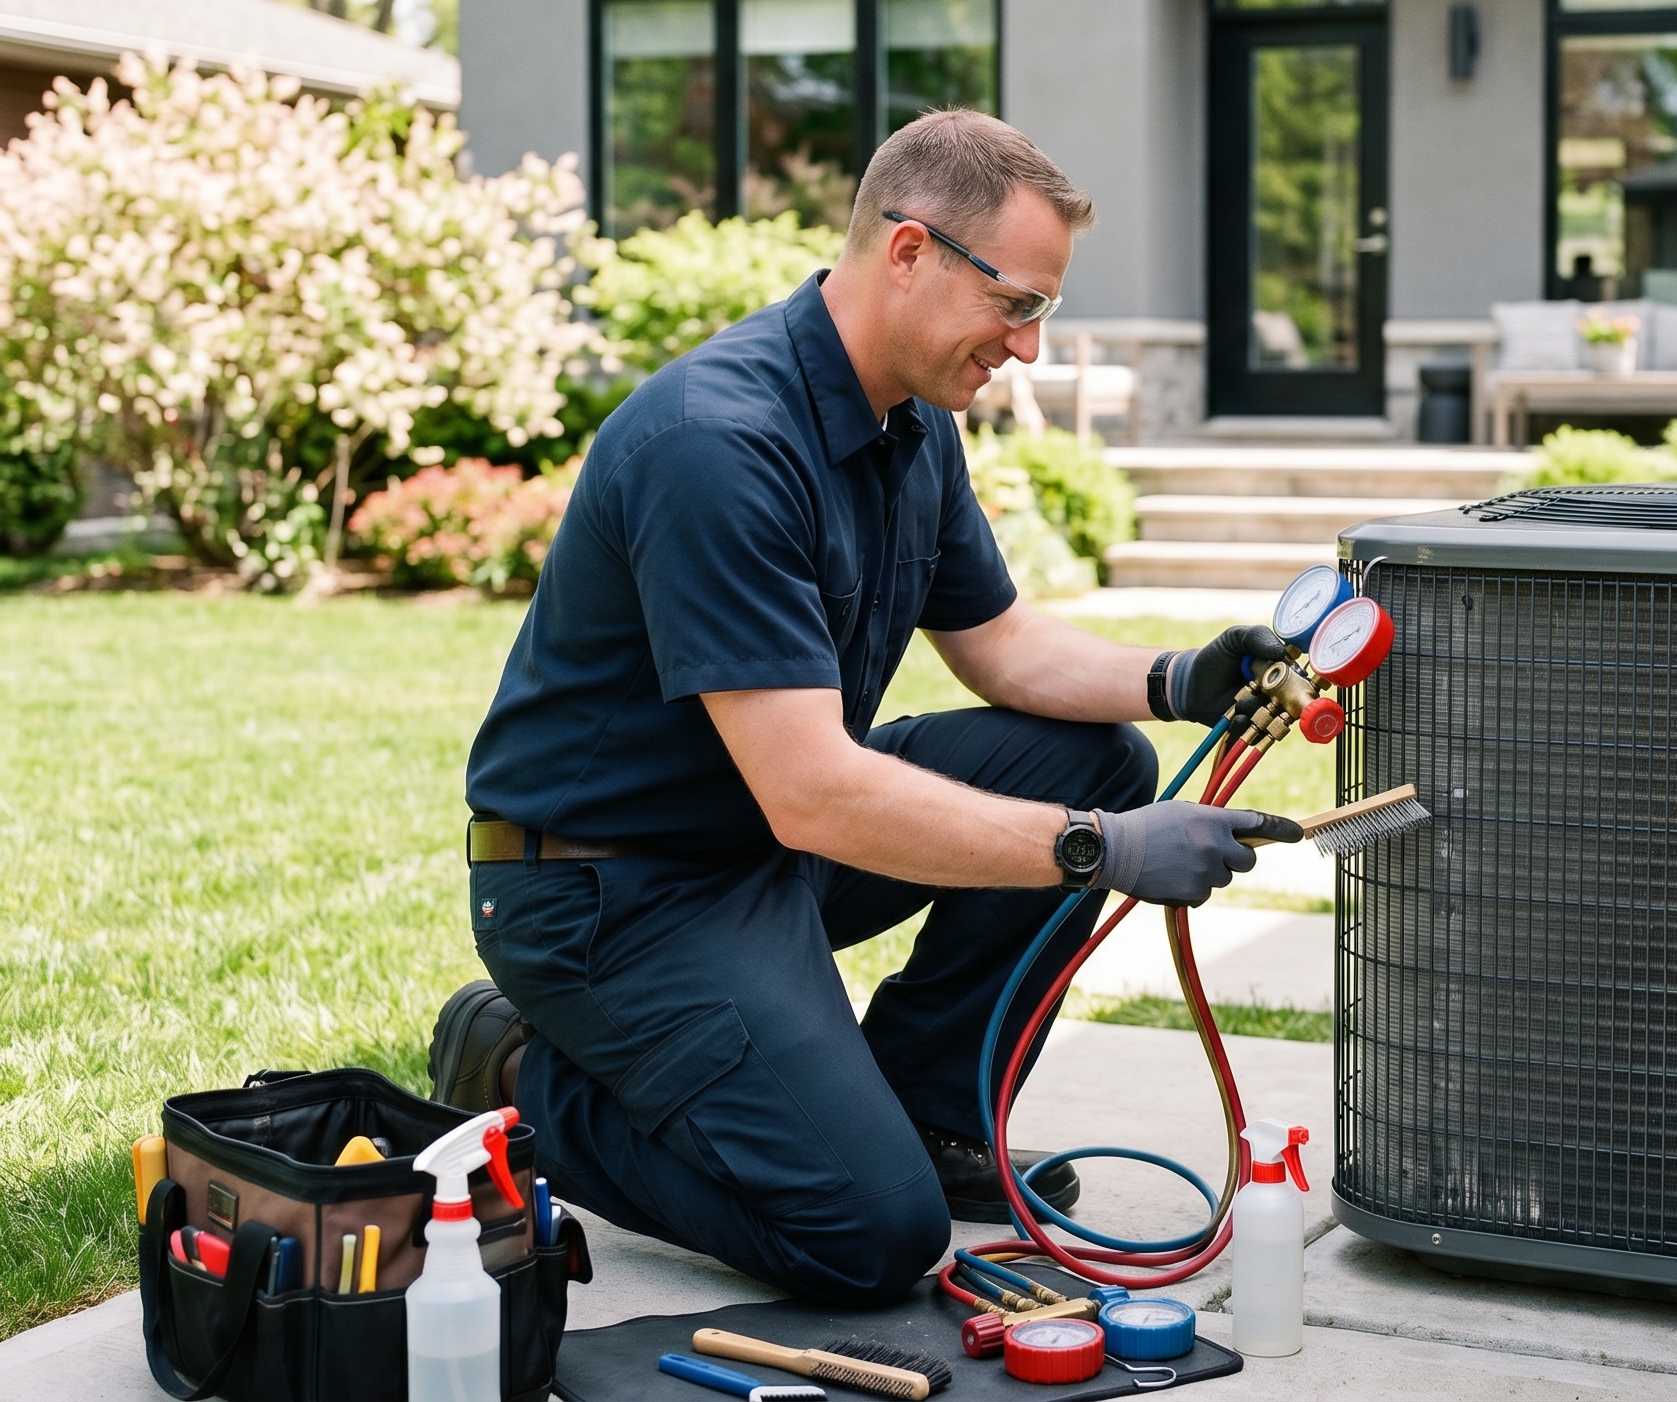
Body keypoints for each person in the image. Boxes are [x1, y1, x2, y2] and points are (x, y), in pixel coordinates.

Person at [429, 110, 1288, 1308]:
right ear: (909, 250)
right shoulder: (718, 444)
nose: (1029, 347)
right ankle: (520, 1074)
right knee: (871, 1236)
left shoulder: (913, 427)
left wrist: (1182, 677)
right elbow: (815, 792)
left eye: (1042, 309)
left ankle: (933, 1116)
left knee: (1094, 758)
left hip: (759, 842)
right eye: (1017, 304)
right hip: (609, 892)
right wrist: (1099, 850)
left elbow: (1001, 646)